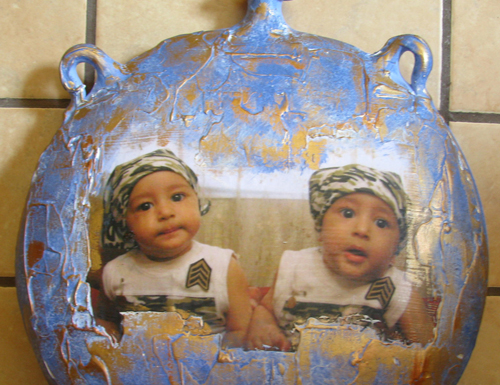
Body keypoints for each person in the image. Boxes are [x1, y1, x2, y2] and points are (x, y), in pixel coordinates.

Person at [246, 164, 434, 350]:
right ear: (321, 228)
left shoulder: (394, 287)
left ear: (395, 248)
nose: (362, 230)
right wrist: (264, 326)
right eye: (348, 213)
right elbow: (266, 309)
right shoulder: (296, 266)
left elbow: (429, 351)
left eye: (381, 223)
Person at [96, 148, 252, 345]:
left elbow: (241, 330)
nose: (165, 212)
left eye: (177, 197)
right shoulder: (114, 272)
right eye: (145, 206)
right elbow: (106, 322)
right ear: (124, 220)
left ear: (198, 201)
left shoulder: (223, 266)